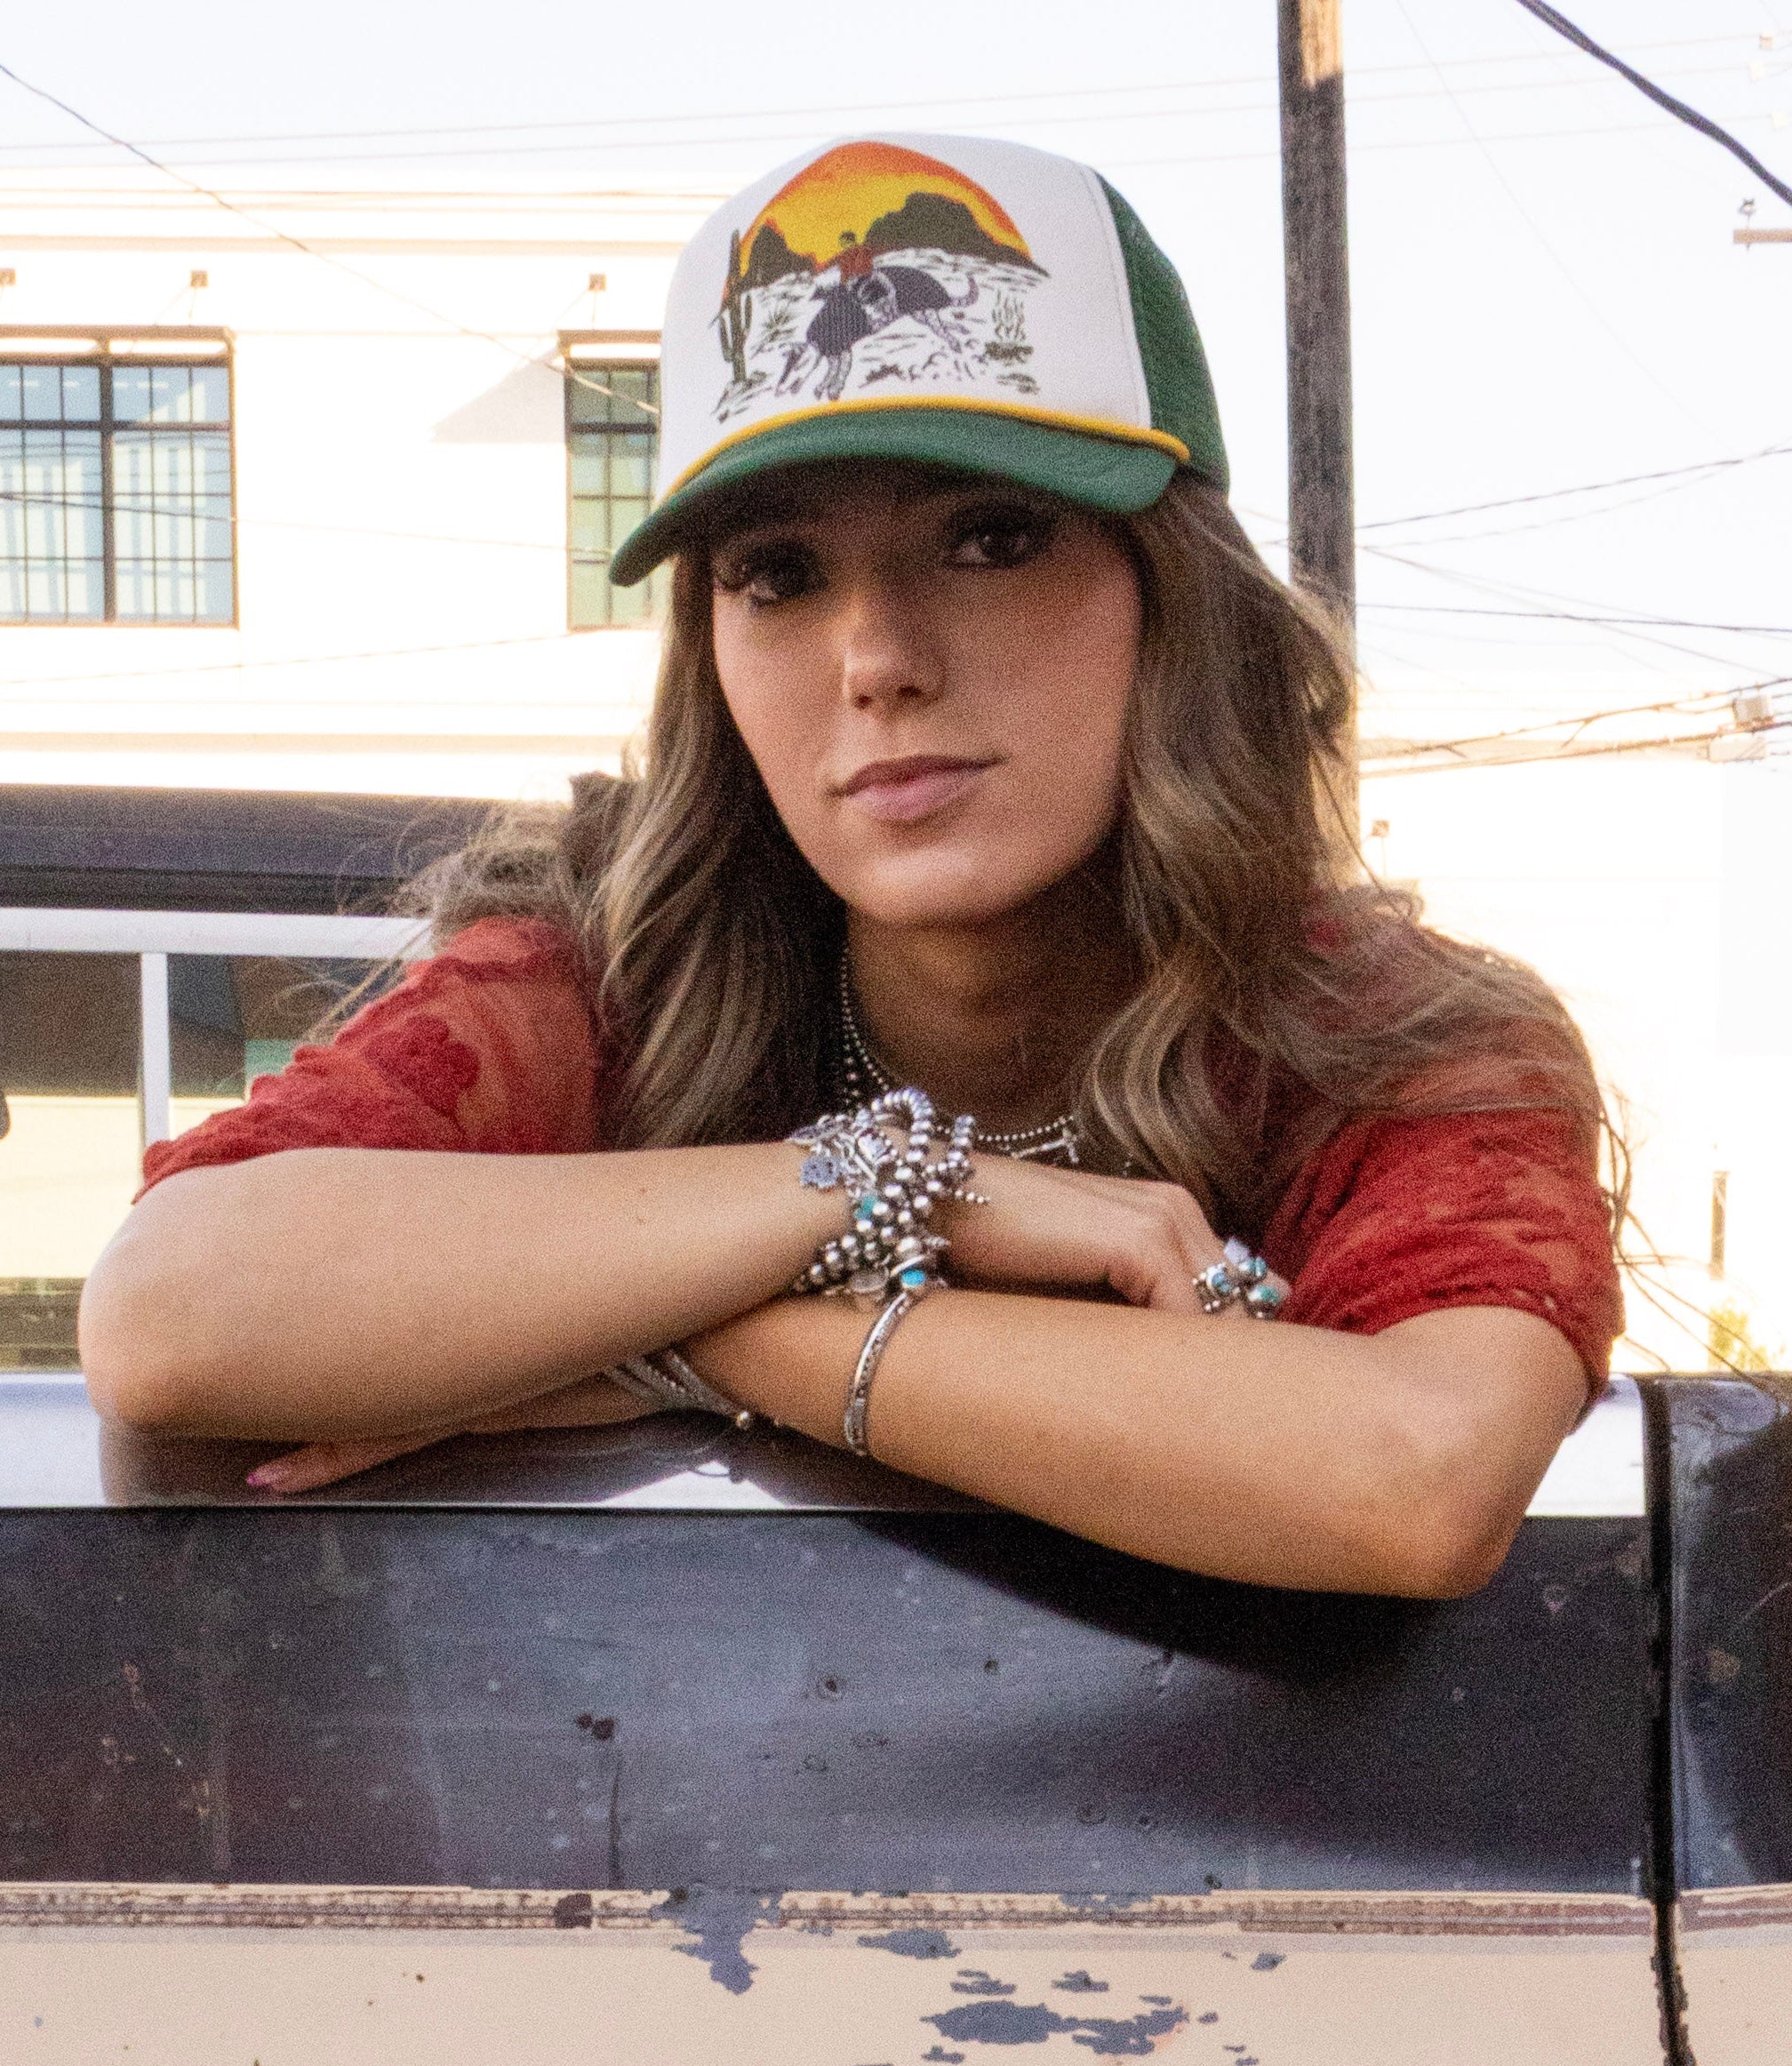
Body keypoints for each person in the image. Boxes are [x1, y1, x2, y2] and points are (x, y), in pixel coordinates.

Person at [80, 132, 1621, 1599]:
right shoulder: (615, 976)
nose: (876, 659)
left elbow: (1416, 1480)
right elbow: (174, 1311)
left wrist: (695, 1331)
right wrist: (906, 1193)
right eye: (779, 573)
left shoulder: (1396, 1043)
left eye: (991, 538)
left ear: (1175, 598)